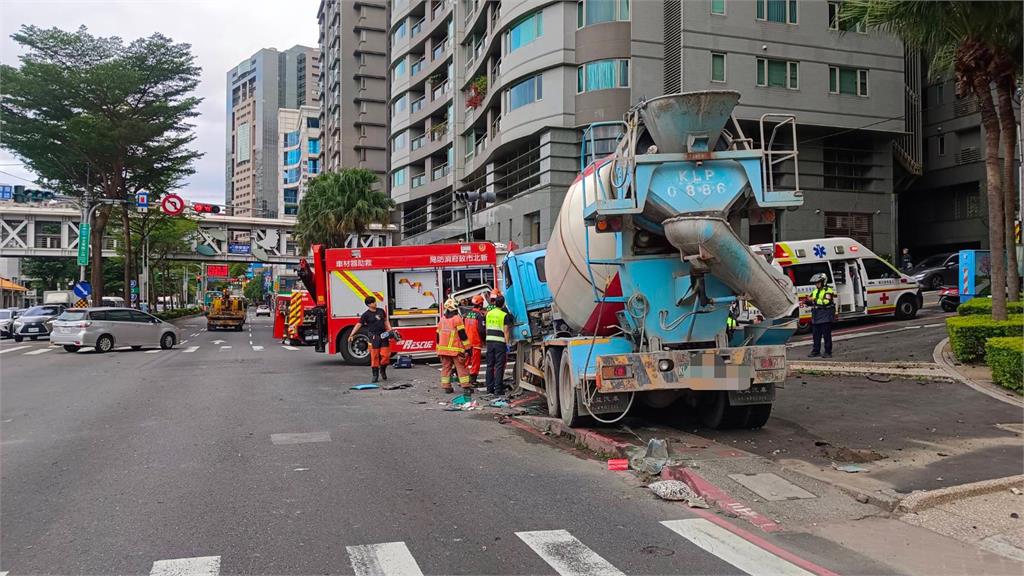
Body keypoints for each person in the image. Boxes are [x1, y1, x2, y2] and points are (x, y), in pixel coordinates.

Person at [349, 295, 392, 382]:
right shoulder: (366, 315)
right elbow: (359, 324)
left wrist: (390, 330)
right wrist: (351, 334)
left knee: (386, 356)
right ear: (368, 305)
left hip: (383, 335)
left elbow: (385, 321)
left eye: (375, 301)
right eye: (373, 302)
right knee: (374, 356)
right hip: (373, 337)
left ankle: (382, 370)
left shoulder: (381, 311)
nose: (375, 303)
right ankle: (375, 375)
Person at [436, 298, 473, 394]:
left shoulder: (442, 320)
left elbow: (437, 336)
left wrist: (437, 349)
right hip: (455, 349)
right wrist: (468, 348)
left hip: (443, 350)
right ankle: (466, 387)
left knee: (446, 368)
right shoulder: (457, 319)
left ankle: (446, 387)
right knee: (461, 368)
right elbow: (462, 335)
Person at [484, 294, 513, 396]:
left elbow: (487, 328)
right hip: (499, 342)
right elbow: (506, 331)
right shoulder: (503, 315)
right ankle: (498, 389)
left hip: (489, 342)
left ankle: (489, 388)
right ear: (503, 304)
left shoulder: (489, 314)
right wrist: (507, 343)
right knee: (499, 366)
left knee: (490, 365)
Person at [807, 273, 836, 359]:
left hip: (825, 315)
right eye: (816, 283)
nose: (816, 284)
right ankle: (816, 351)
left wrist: (814, 300)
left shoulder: (828, 290)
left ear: (823, 282)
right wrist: (807, 301)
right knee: (816, 335)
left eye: (818, 282)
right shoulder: (815, 291)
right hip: (816, 315)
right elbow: (811, 299)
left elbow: (826, 302)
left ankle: (828, 352)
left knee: (826, 335)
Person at [462, 294, 486, 385]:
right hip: (476, 342)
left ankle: (464, 378)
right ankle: (472, 380)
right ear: (480, 304)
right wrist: (483, 340)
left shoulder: (467, 314)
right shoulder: (479, 316)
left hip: (467, 342)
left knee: (466, 361)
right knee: (475, 362)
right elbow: (481, 330)